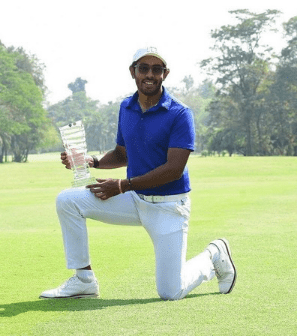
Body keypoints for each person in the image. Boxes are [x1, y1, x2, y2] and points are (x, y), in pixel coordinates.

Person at [40, 47, 237, 301]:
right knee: (67, 201)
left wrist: (122, 185)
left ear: (165, 74)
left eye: (157, 69)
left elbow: (173, 170)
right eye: (143, 68)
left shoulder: (180, 113)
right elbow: (123, 154)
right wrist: (91, 161)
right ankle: (84, 281)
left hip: (168, 207)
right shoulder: (127, 107)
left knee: (170, 291)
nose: (150, 75)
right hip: (134, 200)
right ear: (133, 72)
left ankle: (214, 255)